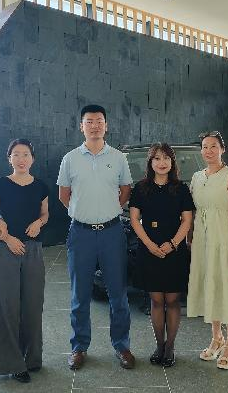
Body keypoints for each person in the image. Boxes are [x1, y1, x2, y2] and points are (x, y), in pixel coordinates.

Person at [57, 104, 135, 370]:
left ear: (106, 125)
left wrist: (110, 209)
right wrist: (82, 213)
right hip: (81, 234)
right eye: (89, 121)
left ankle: (122, 345)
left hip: (112, 233)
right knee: (79, 295)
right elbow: (64, 195)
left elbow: (125, 190)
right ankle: (79, 346)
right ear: (81, 126)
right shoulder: (70, 159)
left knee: (118, 294)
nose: (94, 125)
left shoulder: (118, 157)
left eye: (99, 121)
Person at [187, 130, 228, 370]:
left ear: (222, 149)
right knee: (211, 284)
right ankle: (217, 337)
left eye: (213, 146)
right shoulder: (196, 177)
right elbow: (194, 210)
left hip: (224, 236)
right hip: (202, 239)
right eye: (205, 146)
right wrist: (190, 234)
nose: (209, 151)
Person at [0, 139, 49, 384]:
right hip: (6, 249)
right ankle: (13, 363)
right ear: (9, 158)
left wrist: (39, 222)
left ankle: (32, 358)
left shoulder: (40, 186)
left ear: (32, 158)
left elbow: (45, 213)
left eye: (26, 154)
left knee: (33, 305)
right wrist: (8, 238)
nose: (21, 159)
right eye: (16, 154)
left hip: (33, 250)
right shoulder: (0, 185)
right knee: (7, 307)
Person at [129, 143, 194, 367]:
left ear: (172, 162)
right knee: (156, 301)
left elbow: (187, 220)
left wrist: (173, 244)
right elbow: (134, 219)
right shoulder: (141, 188)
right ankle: (159, 345)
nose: (162, 162)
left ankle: (170, 347)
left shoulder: (181, 188)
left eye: (166, 158)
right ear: (150, 162)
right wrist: (149, 244)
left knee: (172, 300)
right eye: (157, 158)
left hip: (174, 250)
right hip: (149, 250)